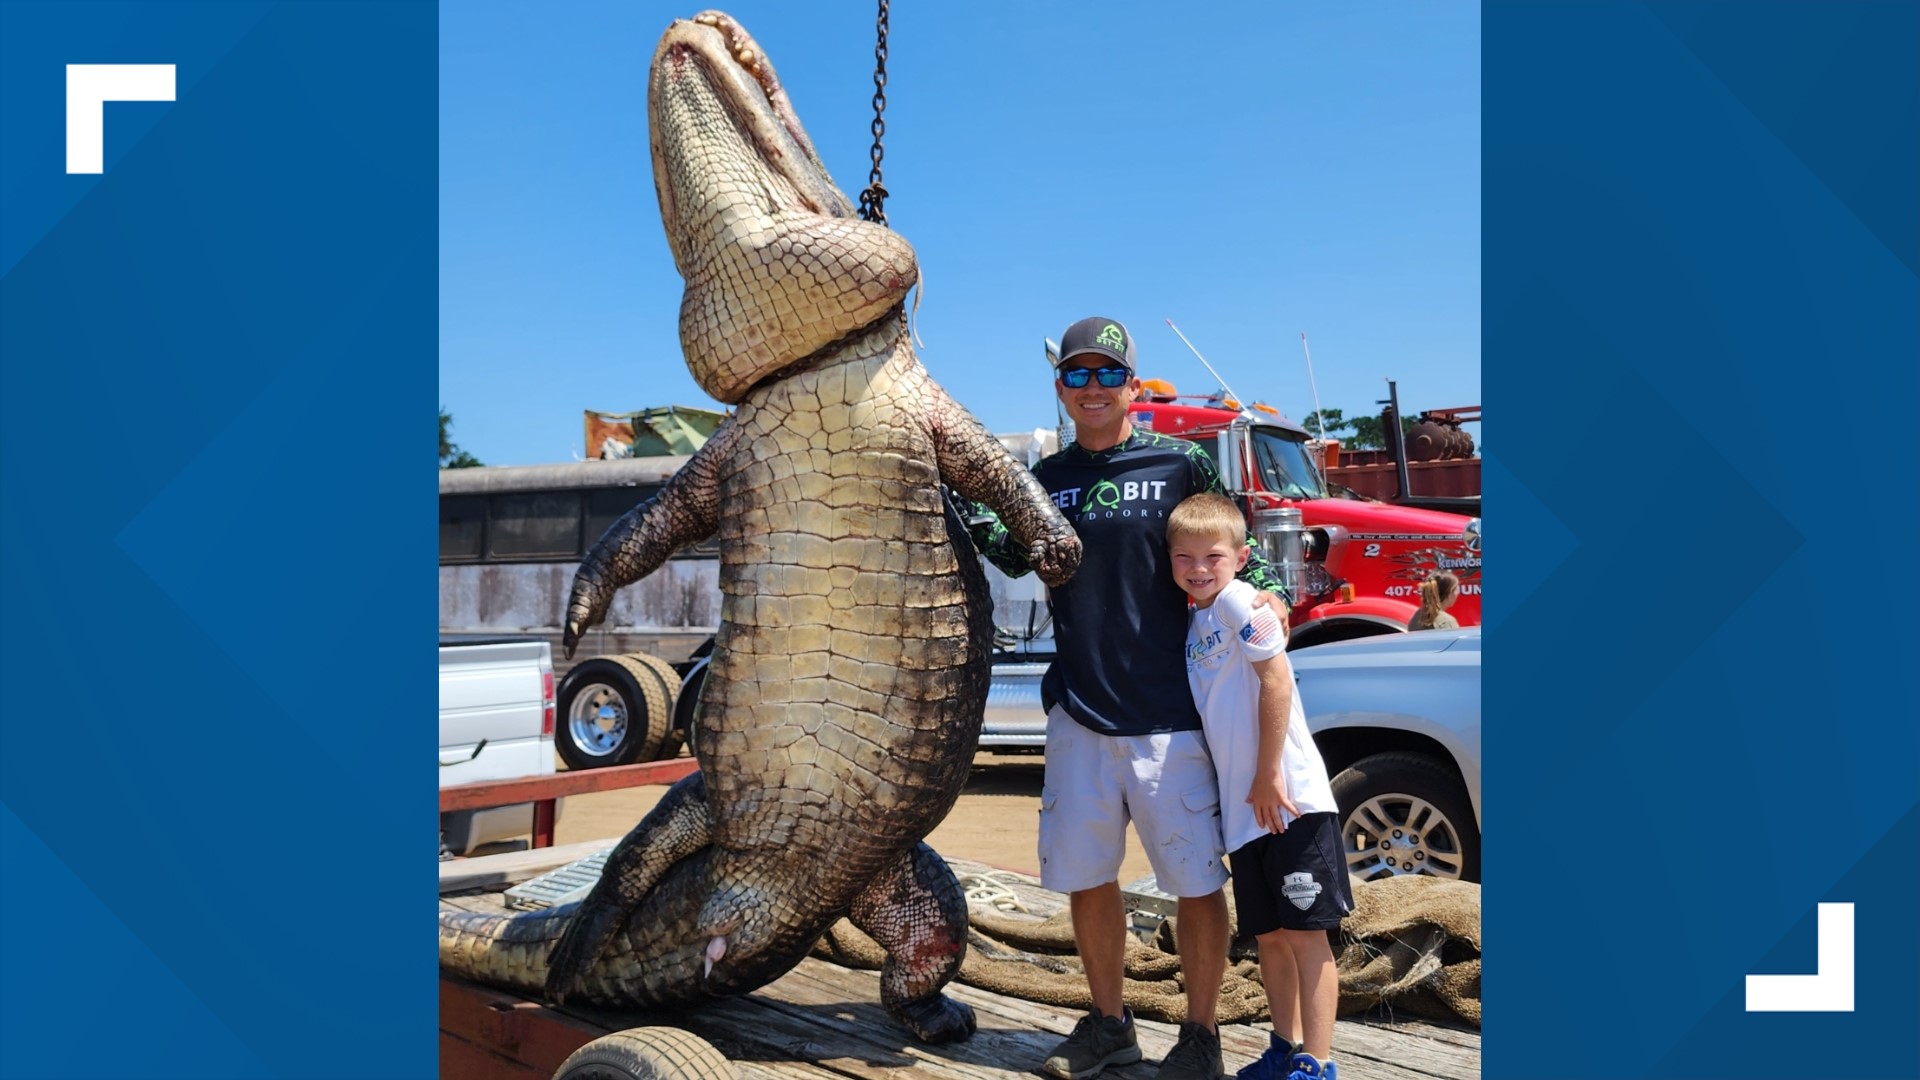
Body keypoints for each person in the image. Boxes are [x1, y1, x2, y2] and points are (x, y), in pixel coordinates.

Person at [965, 316, 1285, 1080]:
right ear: (1061, 389)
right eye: (1077, 374)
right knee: (1086, 876)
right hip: (1078, 711)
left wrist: (1268, 595)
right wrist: (964, 491)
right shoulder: (1046, 481)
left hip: (1171, 715)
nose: (1093, 387)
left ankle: (1200, 1037)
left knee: (1197, 884)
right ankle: (1109, 1025)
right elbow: (1010, 547)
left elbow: (1239, 537)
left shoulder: (1180, 463)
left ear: (1132, 386)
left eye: (1108, 373)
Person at [1167, 493, 1351, 1080]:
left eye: (1213, 556)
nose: (1198, 568)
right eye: (1185, 557)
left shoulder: (1240, 600)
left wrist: (1270, 772)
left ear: (1242, 557)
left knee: (1306, 936)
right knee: (1270, 938)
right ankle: (1284, 1047)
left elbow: (1277, 682)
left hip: (1288, 798)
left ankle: (1318, 1064)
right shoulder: (1195, 618)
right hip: (1248, 811)